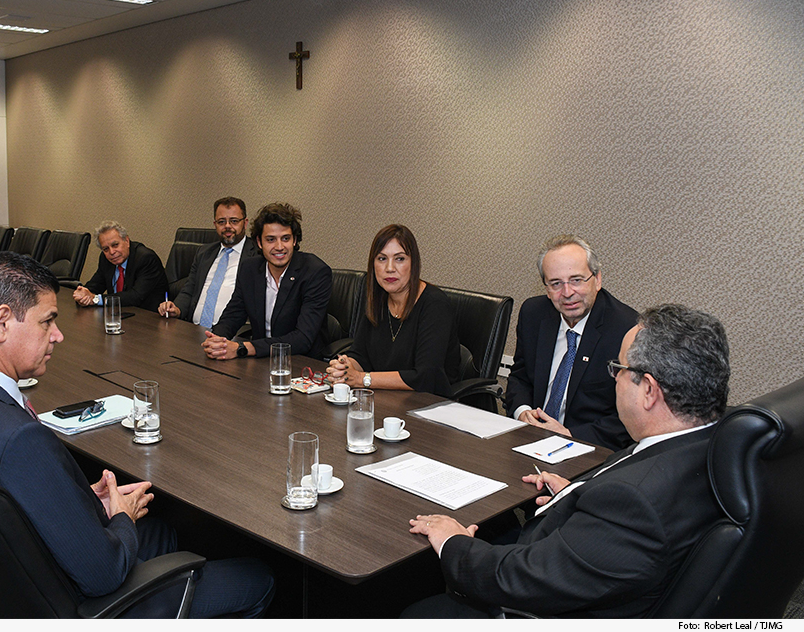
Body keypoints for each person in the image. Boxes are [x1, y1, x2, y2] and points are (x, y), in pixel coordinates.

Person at [0, 252, 274, 618]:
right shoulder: (19, 440)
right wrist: (122, 517)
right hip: (71, 604)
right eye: (47, 321)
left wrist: (81, 500)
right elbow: (103, 574)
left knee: (163, 532)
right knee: (261, 578)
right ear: (2, 322)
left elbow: (9, 507)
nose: (58, 335)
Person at [405, 304, 730, 618]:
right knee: (499, 524)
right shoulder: (708, 446)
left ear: (648, 390)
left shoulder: (635, 504)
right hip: (587, 559)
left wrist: (453, 542)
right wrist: (577, 491)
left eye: (618, 369)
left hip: (537, 605)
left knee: (414, 609)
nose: (613, 379)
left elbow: (518, 581)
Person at [505, 235, 638, 451]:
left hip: (589, 447)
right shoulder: (533, 314)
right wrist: (522, 411)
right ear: (546, 288)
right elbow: (520, 376)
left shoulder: (626, 330)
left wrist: (569, 435)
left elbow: (632, 415)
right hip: (529, 440)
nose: (567, 293)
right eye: (556, 283)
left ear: (598, 280)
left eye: (576, 280)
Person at [325, 224, 459, 395]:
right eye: (382, 259)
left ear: (413, 263)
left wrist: (361, 379)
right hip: (385, 397)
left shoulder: (435, 304)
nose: (389, 268)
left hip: (427, 405)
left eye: (400, 259)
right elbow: (359, 356)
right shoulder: (378, 299)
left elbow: (426, 376)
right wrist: (344, 367)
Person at [203, 202, 331, 360]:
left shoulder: (315, 272)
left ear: (294, 240)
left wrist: (243, 348)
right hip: (261, 361)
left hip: (302, 363)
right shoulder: (250, 269)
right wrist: (217, 340)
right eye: (270, 239)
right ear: (259, 242)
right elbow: (233, 315)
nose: (279, 247)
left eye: (285, 238)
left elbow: (303, 339)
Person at [158, 197, 259, 325]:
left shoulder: (257, 255)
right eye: (221, 222)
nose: (227, 226)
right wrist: (176, 309)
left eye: (234, 221)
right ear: (215, 224)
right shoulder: (204, 253)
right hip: (191, 330)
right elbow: (190, 289)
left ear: (245, 223)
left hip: (232, 335)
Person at [73, 221, 168, 312]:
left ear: (126, 241)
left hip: (147, 319)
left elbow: (135, 297)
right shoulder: (105, 259)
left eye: (115, 245)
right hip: (118, 316)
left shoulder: (146, 258)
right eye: (106, 249)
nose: (111, 252)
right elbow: (96, 284)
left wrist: (96, 299)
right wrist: (83, 294)